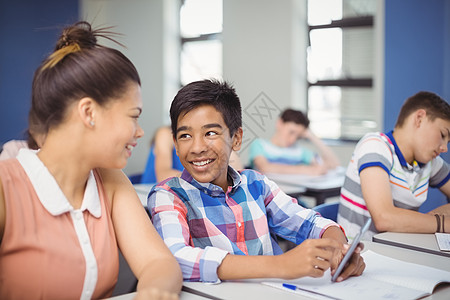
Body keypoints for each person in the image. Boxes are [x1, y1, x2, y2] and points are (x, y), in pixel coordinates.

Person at [0, 21, 182, 299]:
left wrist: (154, 290)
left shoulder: (109, 180)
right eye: (134, 115)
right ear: (89, 113)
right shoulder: (5, 186)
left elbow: (159, 263)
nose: (140, 130)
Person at [147, 79, 365, 284]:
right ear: (175, 143)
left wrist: (339, 248)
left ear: (237, 138)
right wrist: (280, 265)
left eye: (210, 133)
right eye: (185, 136)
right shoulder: (168, 195)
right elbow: (175, 258)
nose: (197, 147)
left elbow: (309, 223)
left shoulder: (257, 185)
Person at [338, 91, 450, 240]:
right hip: (362, 254)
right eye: (442, 135)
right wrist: (443, 223)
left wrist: (435, 216)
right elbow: (384, 218)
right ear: (419, 118)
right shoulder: (375, 145)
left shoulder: (429, 163)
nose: (444, 148)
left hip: (396, 247)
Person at [249, 108, 340, 175]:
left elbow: (334, 164)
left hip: (293, 197)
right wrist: (307, 170)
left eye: (298, 136)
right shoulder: (260, 145)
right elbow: (265, 168)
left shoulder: (299, 152)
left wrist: (312, 137)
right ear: (279, 123)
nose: (293, 139)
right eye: (291, 132)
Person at [141, 126, 243, 183]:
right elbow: (163, 175)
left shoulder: (217, 140)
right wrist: (205, 180)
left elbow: (237, 178)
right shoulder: (165, 133)